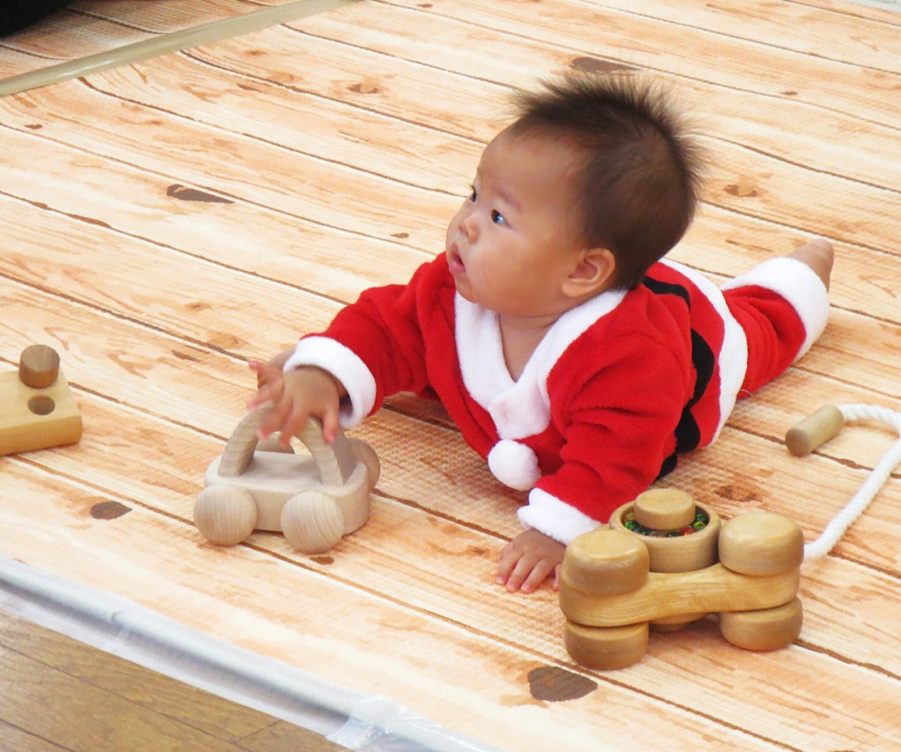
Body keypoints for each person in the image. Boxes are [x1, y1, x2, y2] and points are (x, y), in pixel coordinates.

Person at [249, 75, 833, 594]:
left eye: (499, 217)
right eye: (474, 195)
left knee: (763, 328)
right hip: (595, 286)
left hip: (699, 340)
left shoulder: (635, 358)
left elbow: (617, 460)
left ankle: (803, 271)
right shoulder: (457, 290)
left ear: (583, 271)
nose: (468, 223)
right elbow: (387, 324)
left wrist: (560, 531)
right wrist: (328, 371)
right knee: (380, 348)